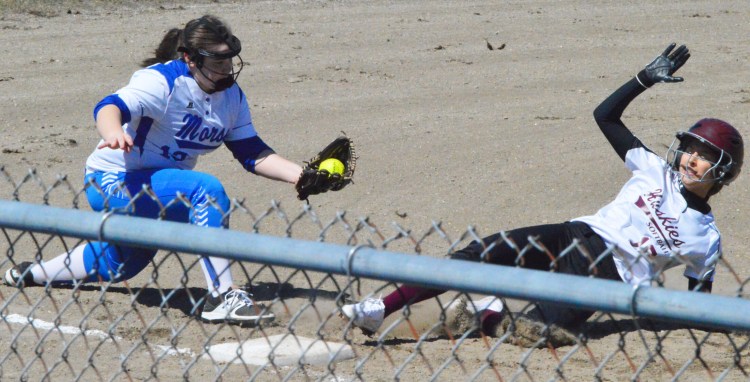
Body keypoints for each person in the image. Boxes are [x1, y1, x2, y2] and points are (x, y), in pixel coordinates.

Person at [341, 43, 744, 345]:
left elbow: (699, 307)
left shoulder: (705, 238)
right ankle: (380, 309)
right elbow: (604, 116)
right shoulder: (652, 167)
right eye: (691, 148)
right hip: (570, 236)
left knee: (537, 330)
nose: (692, 159)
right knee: (473, 256)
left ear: (722, 170)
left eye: (705, 156)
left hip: (605, 281)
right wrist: (642, 79)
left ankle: (486, 313)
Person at [3, 15, 309, 324]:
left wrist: (301, 176)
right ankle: (221, 295)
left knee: (120, 263)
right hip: (112, 181)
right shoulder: (162, 81)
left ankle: (30, 273)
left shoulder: (231, 97)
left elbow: (251, 152)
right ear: (189, 58)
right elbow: (110, 106)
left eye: (228, 60)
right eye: (217, 61)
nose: (226, 69)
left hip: (160, 191)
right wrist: (112, 132)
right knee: (206, 191)